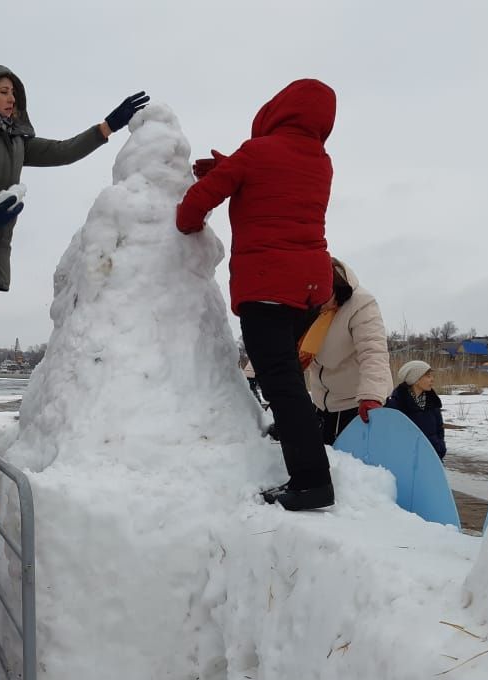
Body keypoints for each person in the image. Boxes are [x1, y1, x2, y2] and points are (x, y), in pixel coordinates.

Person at [0, 64, 149, 440]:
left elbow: (63, 151)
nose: (12, 99)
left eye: (14, 93)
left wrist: (108, 125)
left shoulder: (17, 141)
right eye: (4, 91)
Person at [177, 79, 337, 511]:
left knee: (281, 383)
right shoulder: (321, 161)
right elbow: (277, 180)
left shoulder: (257, 154)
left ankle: (311, 481)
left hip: (267, 285)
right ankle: (294, 443)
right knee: (287, 379)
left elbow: (195, 205)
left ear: (278, 109)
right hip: (310, 288)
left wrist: (188, 224)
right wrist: (232, 166)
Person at [306, 258, 393, 444]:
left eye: (323, 299)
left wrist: (371, 396)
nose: (319, 307)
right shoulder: (308, 305)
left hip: (358, 403)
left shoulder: (361, 303)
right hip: (322, 403)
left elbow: (373, 352)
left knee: (353, 466)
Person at [385, 360, 446, 459]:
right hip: (405, 460)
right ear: (416, 379)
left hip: (432, 459)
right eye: (428, 376)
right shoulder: (396, 404)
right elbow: (391, 435)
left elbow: (439, 429)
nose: (432, 379)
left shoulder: (432, 403)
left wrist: (440, 447)